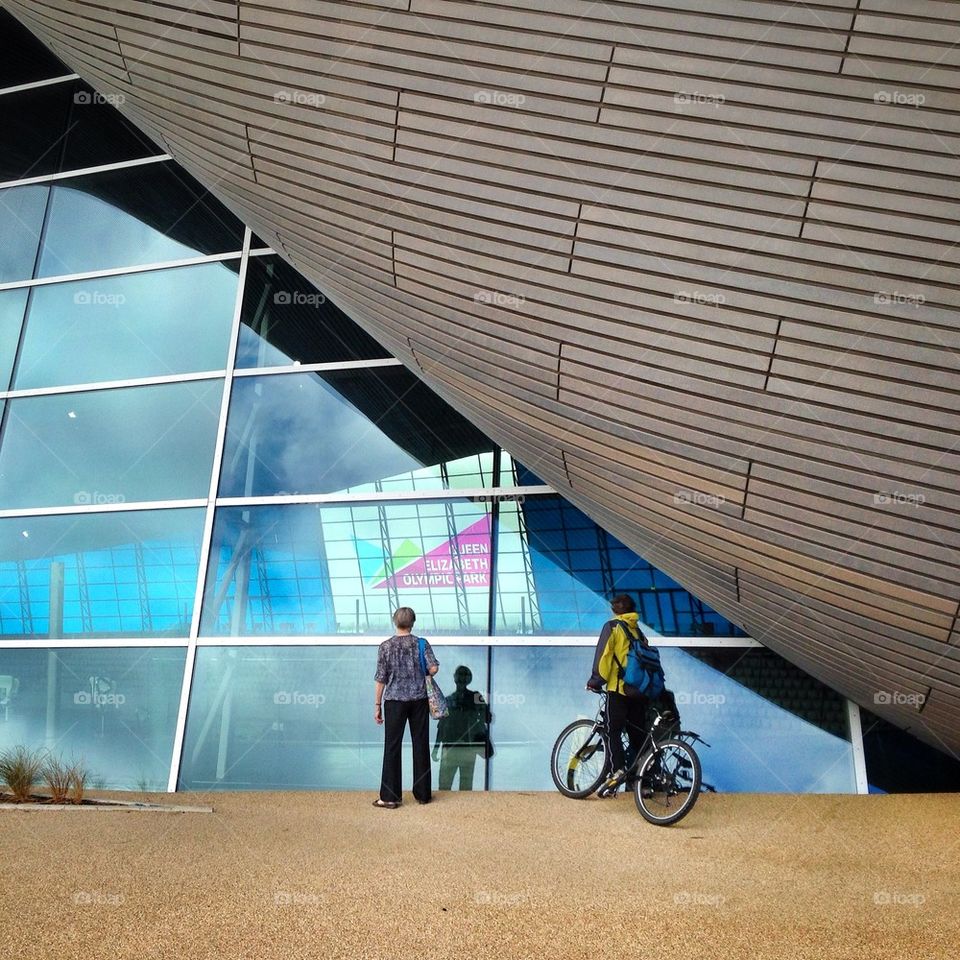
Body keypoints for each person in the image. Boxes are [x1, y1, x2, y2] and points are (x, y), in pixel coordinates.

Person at [373, 606, 439, 808]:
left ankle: (390, 797)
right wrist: (424, 674)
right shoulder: (421, 643)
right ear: (413, 622)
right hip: (418, 700)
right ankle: (423, 794)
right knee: (420, 744)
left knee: (392, 747)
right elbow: (433, 667)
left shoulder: (385, 646)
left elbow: (381, 679)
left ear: (395, 621)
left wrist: (377, 705)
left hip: (394, 701)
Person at [586, 594, 649, 794]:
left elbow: (603, 656)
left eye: (614, 604)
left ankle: (617, 771)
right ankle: (643, 782)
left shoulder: (612, 627)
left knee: (612, 730)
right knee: (638, 736)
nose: (612, 606)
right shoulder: (637, 630)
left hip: (619, 689)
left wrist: (595, 681)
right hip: (639, 691)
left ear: (618, 607)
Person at [431, 665, 491, 790]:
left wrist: (436, 748)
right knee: (464, 786)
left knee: (446, 786)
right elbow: (488, 718)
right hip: (466, 748)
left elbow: (441, 727)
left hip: (453, 748)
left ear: (454, 678)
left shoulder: (448, 700)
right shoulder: (474, 697)